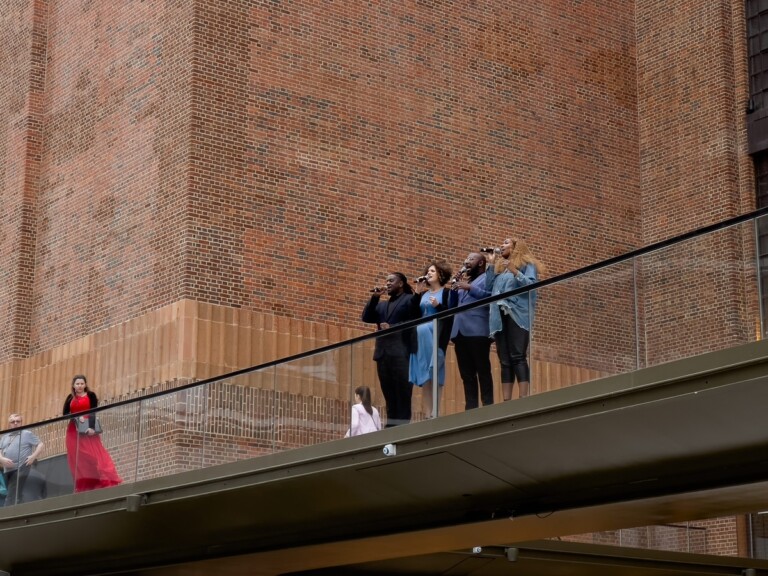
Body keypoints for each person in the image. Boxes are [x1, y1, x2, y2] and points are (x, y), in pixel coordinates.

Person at [485, 237, 546, 400]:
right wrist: (491, 264)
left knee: (517, 355)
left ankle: (523, 398)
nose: (501, 245)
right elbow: (488, 287)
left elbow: (531, 286)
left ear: (516, 247)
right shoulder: (500, 270)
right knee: (504, 359)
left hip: (517, 314)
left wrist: (515, 271)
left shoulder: (527, 265)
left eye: (505, 242)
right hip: (499, 315)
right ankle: (507, 401)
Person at [362, 272, 421, 427]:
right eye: (386, 281)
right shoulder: (382, 305)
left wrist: (392, 327)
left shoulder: (409, 300)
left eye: (391, 281)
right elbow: (366, 317)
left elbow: (414, 318)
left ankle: (402, 425)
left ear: (401, 283)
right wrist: (375, 298)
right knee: (388, 391)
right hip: (383, 353)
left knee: (402, 390)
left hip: (401, 352)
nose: (387, 283)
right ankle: (391, 424)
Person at [449, 252, 494, 410]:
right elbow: (452, 305)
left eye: (470, 259)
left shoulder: (488, 277)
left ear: (481, 263)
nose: (466, 261)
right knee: (466, 373)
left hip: (478, 330)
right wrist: (454, 288)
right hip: (459, 332)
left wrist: (469, 287)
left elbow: (491, 296)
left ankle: (488, 404)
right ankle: (471, 407)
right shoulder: (464, 281)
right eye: (466, 259)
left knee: (482, 369)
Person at [62, 375, 122, 492]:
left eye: (82, 384)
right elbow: (65, 414)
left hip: (88, 428)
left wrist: (91, 427)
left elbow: (94, 412)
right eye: (77, 384)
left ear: (85, 385)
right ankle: (86, 484)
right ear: (73, 386)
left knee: (94, 455)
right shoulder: (70, 398)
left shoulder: (91, 395)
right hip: (74, 430)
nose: (79, 386)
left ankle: (102, 479)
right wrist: (76, 417)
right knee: (79, 457)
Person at [409, 260, 453, 419]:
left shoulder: (447, 292)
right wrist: (417, 292)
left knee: (435, 371)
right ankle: (427, 413)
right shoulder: (423, 294)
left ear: (440, 274)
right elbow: (413, 315)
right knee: (425, 375)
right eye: (428, 271)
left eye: (432, 271)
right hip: (420, 337)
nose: (428, 274)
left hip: (436, 336)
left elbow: (450, 316)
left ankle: (436, 411)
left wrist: (439, 306)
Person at [0, 413, 45, 505]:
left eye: (18, 421)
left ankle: (6, 514)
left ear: (21, 423)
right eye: (13, 422)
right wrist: (1, 459)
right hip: (7, 469)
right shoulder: (4, 437)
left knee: (11, 493)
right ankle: (19, 508)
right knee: (15, 492)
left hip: (22, 466)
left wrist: (33, 456)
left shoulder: (27, 434)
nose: (15, 423)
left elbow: (41, 444)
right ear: (9, 424)